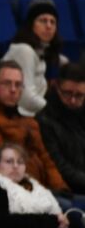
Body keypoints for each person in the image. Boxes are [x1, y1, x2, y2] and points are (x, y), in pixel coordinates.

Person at [0, 60, 69, 194]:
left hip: (43, 189)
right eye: (7, 83)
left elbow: (46, 159)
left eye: (18, 85)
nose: (13, 89)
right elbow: (2, 165)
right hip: (18, 192)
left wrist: (61, 187)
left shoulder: (30, 122)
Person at [2, 0, 62, 117]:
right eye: (43, 21)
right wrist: (55, 111)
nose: (49, 26)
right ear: (31, 25)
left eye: (52, 22)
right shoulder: (25, 51)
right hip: (18, 114)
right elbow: (25, 95)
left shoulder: (40, 51)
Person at [38, 63, 85, 194]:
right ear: (57, 88)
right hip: (68, 188)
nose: (73, 100)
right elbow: (59, 165)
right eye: (67, 93)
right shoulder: (45, 119)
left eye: (79, 95)